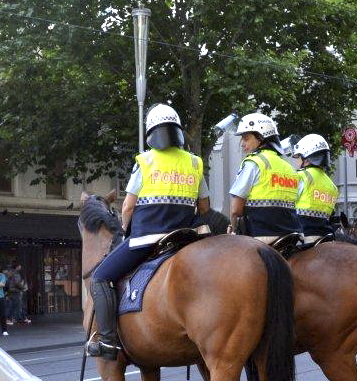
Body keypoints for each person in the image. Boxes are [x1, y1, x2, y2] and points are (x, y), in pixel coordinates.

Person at [85, 103, 211, 359]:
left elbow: (129, 206)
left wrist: (124, 228)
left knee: (100, 275)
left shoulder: (145, 161)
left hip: (148, 238)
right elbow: (205, 207)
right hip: (186, 238)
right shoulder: (196, 163)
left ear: (152, 132)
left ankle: (108, 340)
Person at [227, 112, 303, 241]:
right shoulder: (290, 168)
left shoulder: (254, 163)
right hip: (292, 238)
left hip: (260, 236)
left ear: (261, 138)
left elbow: (236, 210)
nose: (242, 144)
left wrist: (233, 229)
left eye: (246, 138)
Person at [292, 134, 338, 244]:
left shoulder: (301, 176)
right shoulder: (332, 186)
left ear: (307, 160)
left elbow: (285, 204)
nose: (296, 161)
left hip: (302, 235)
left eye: (298, 157)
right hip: (325, 236)